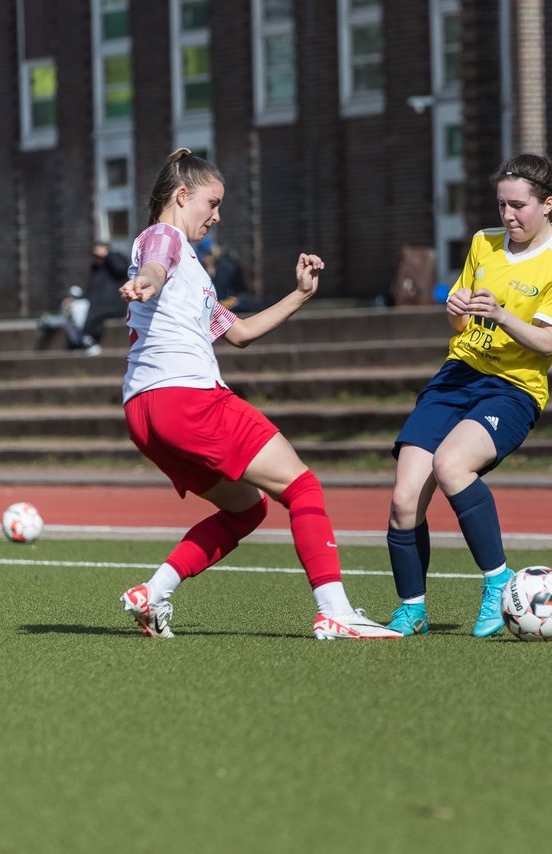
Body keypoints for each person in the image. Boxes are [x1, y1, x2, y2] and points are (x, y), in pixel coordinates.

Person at [116, 148, 399, 640]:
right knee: (303, 487)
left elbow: (240, 333)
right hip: (186, 397)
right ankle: (335, 610)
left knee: (247, 509)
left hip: (144, 409)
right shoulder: (165, 240)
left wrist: (301, 295)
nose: (217, 215)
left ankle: (153, 592)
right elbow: (156, 262)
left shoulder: (195, 275)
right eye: (213, 202)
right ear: (183, 196)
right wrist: (147, 280)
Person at [384, 153, 552, 638]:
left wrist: (501, 316)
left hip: (514, 387)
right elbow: (460, 318)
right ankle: (412, 609)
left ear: (548, 204)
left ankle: (497, 583)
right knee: (402, 498)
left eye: (518, 206)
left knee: (452, 466)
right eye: (501, 205)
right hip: (458, 374)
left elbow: (547, 342)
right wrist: (455, 309)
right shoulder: (483, 243)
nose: (508, 216)